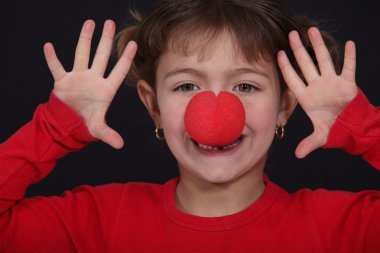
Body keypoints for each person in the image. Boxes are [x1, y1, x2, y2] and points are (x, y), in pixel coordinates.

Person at [0, 0, 379, 252]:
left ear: (284, 106)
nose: (214, 110)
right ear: (154, 107)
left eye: (245, 85)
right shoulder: (95, 223)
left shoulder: (341, 229)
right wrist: (55, 127)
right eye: (187, 86)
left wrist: (363, 129)